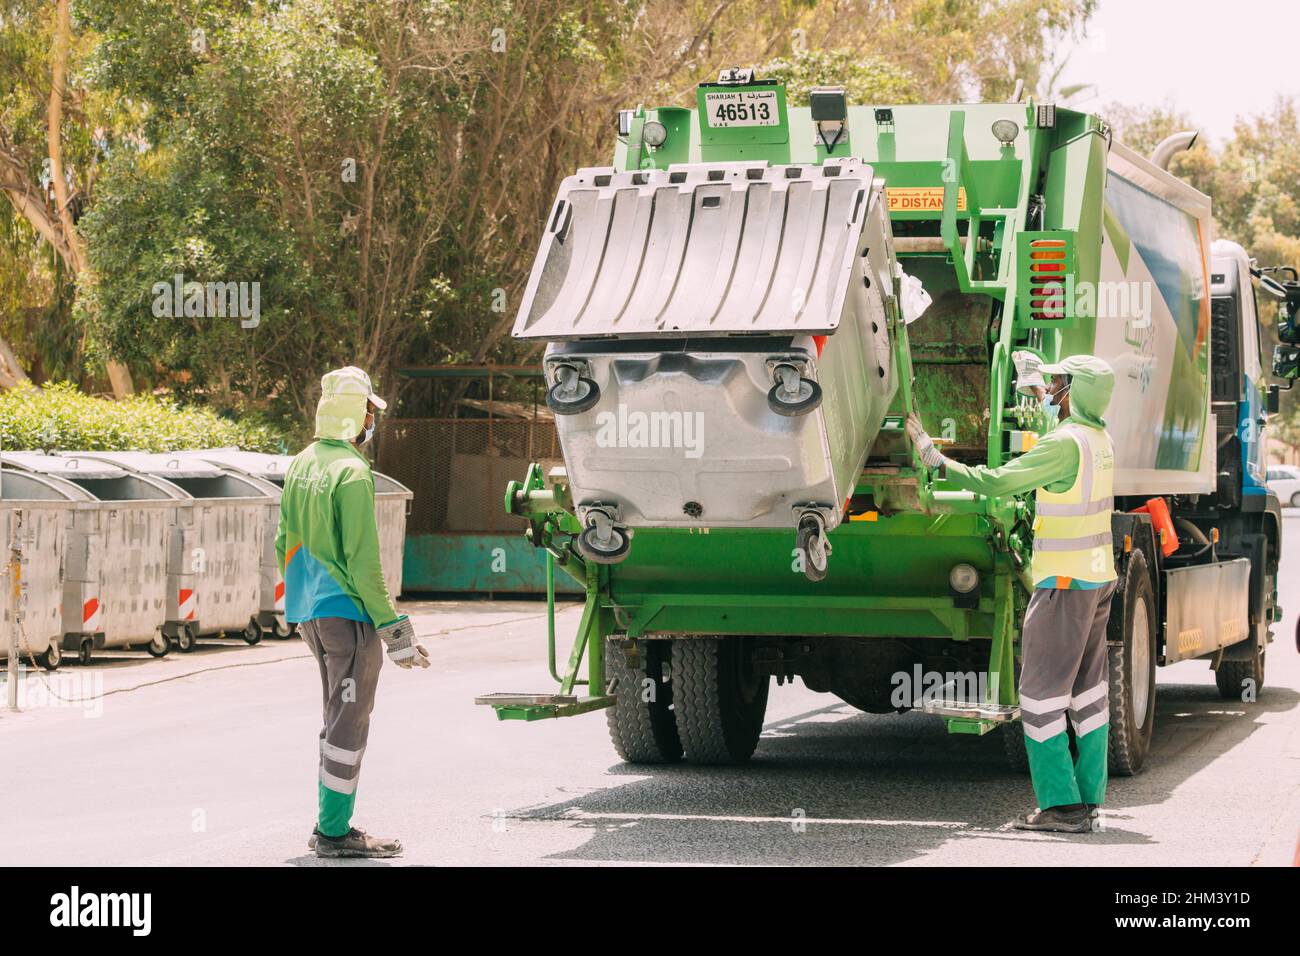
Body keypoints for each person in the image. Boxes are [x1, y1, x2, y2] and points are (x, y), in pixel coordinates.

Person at [906, 354, 1117, 833]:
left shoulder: (1065, 445)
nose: (1056, 389)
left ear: (1077, 391)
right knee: (1088, 694)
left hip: (1063, 584)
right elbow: (1058, 428)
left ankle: (1061, 808)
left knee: (1041, 695)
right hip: (1096, 579)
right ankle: (1087, 800)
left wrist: (937, 460)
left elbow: (999, 481)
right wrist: (1038, 390)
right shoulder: (1099, 439)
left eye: (1061, 383)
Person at [276, 366, 430, 859]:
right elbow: (365, 567)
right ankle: (334, 834)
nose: (372, 419)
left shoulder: (302, 464)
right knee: (348, 722)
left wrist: (297, 606)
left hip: (311, 615)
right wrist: (397, 634)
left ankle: (330, 822)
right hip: (347, 616)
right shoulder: (352, 473)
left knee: (335, 714)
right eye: (369, 409)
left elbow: (284, 541)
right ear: (354, 413)